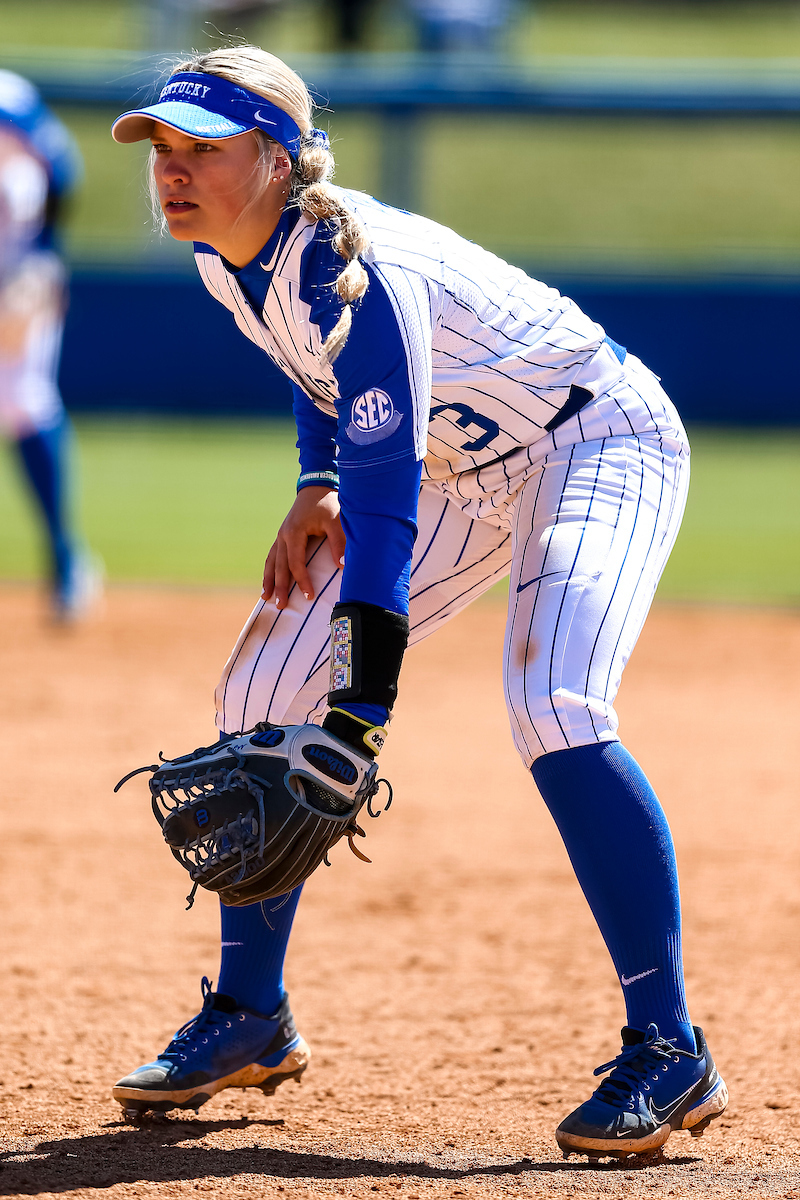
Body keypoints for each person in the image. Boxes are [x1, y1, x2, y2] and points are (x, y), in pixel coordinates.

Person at [108, 46, 728, 1162]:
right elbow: (321, 379)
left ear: (277, 157)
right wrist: (313, 481)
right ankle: (252, 1016)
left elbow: (386, 508)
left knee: (553, 704)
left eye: (204, 148)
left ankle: (668, 1046)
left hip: (591, 444)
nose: (173, 171)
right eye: (164, 147)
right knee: (258, 689)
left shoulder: (363, 268)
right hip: (460, 468)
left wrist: (362, 708)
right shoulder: (225, 258)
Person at [0, 70, 100, 621]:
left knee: (22, 401)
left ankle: (65, 560)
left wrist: (45, 254)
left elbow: (63, 169)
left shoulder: (8, 98)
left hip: (17, 269)